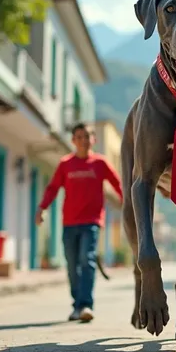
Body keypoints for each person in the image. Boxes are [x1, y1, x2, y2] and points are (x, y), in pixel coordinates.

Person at [35, 123, 122, 322]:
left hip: (91, 221)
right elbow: (52, 188)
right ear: (73, 140)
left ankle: (85, 305)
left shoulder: (100, 163)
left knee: (87, 258)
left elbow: (117, 184)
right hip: (69, 223)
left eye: (87, 136)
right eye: (79, 136)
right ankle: (77, 303)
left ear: (94, 140)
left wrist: (128, 205)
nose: (83, 140)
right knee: (72, 264)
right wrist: (42, 208)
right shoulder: (65, 164)